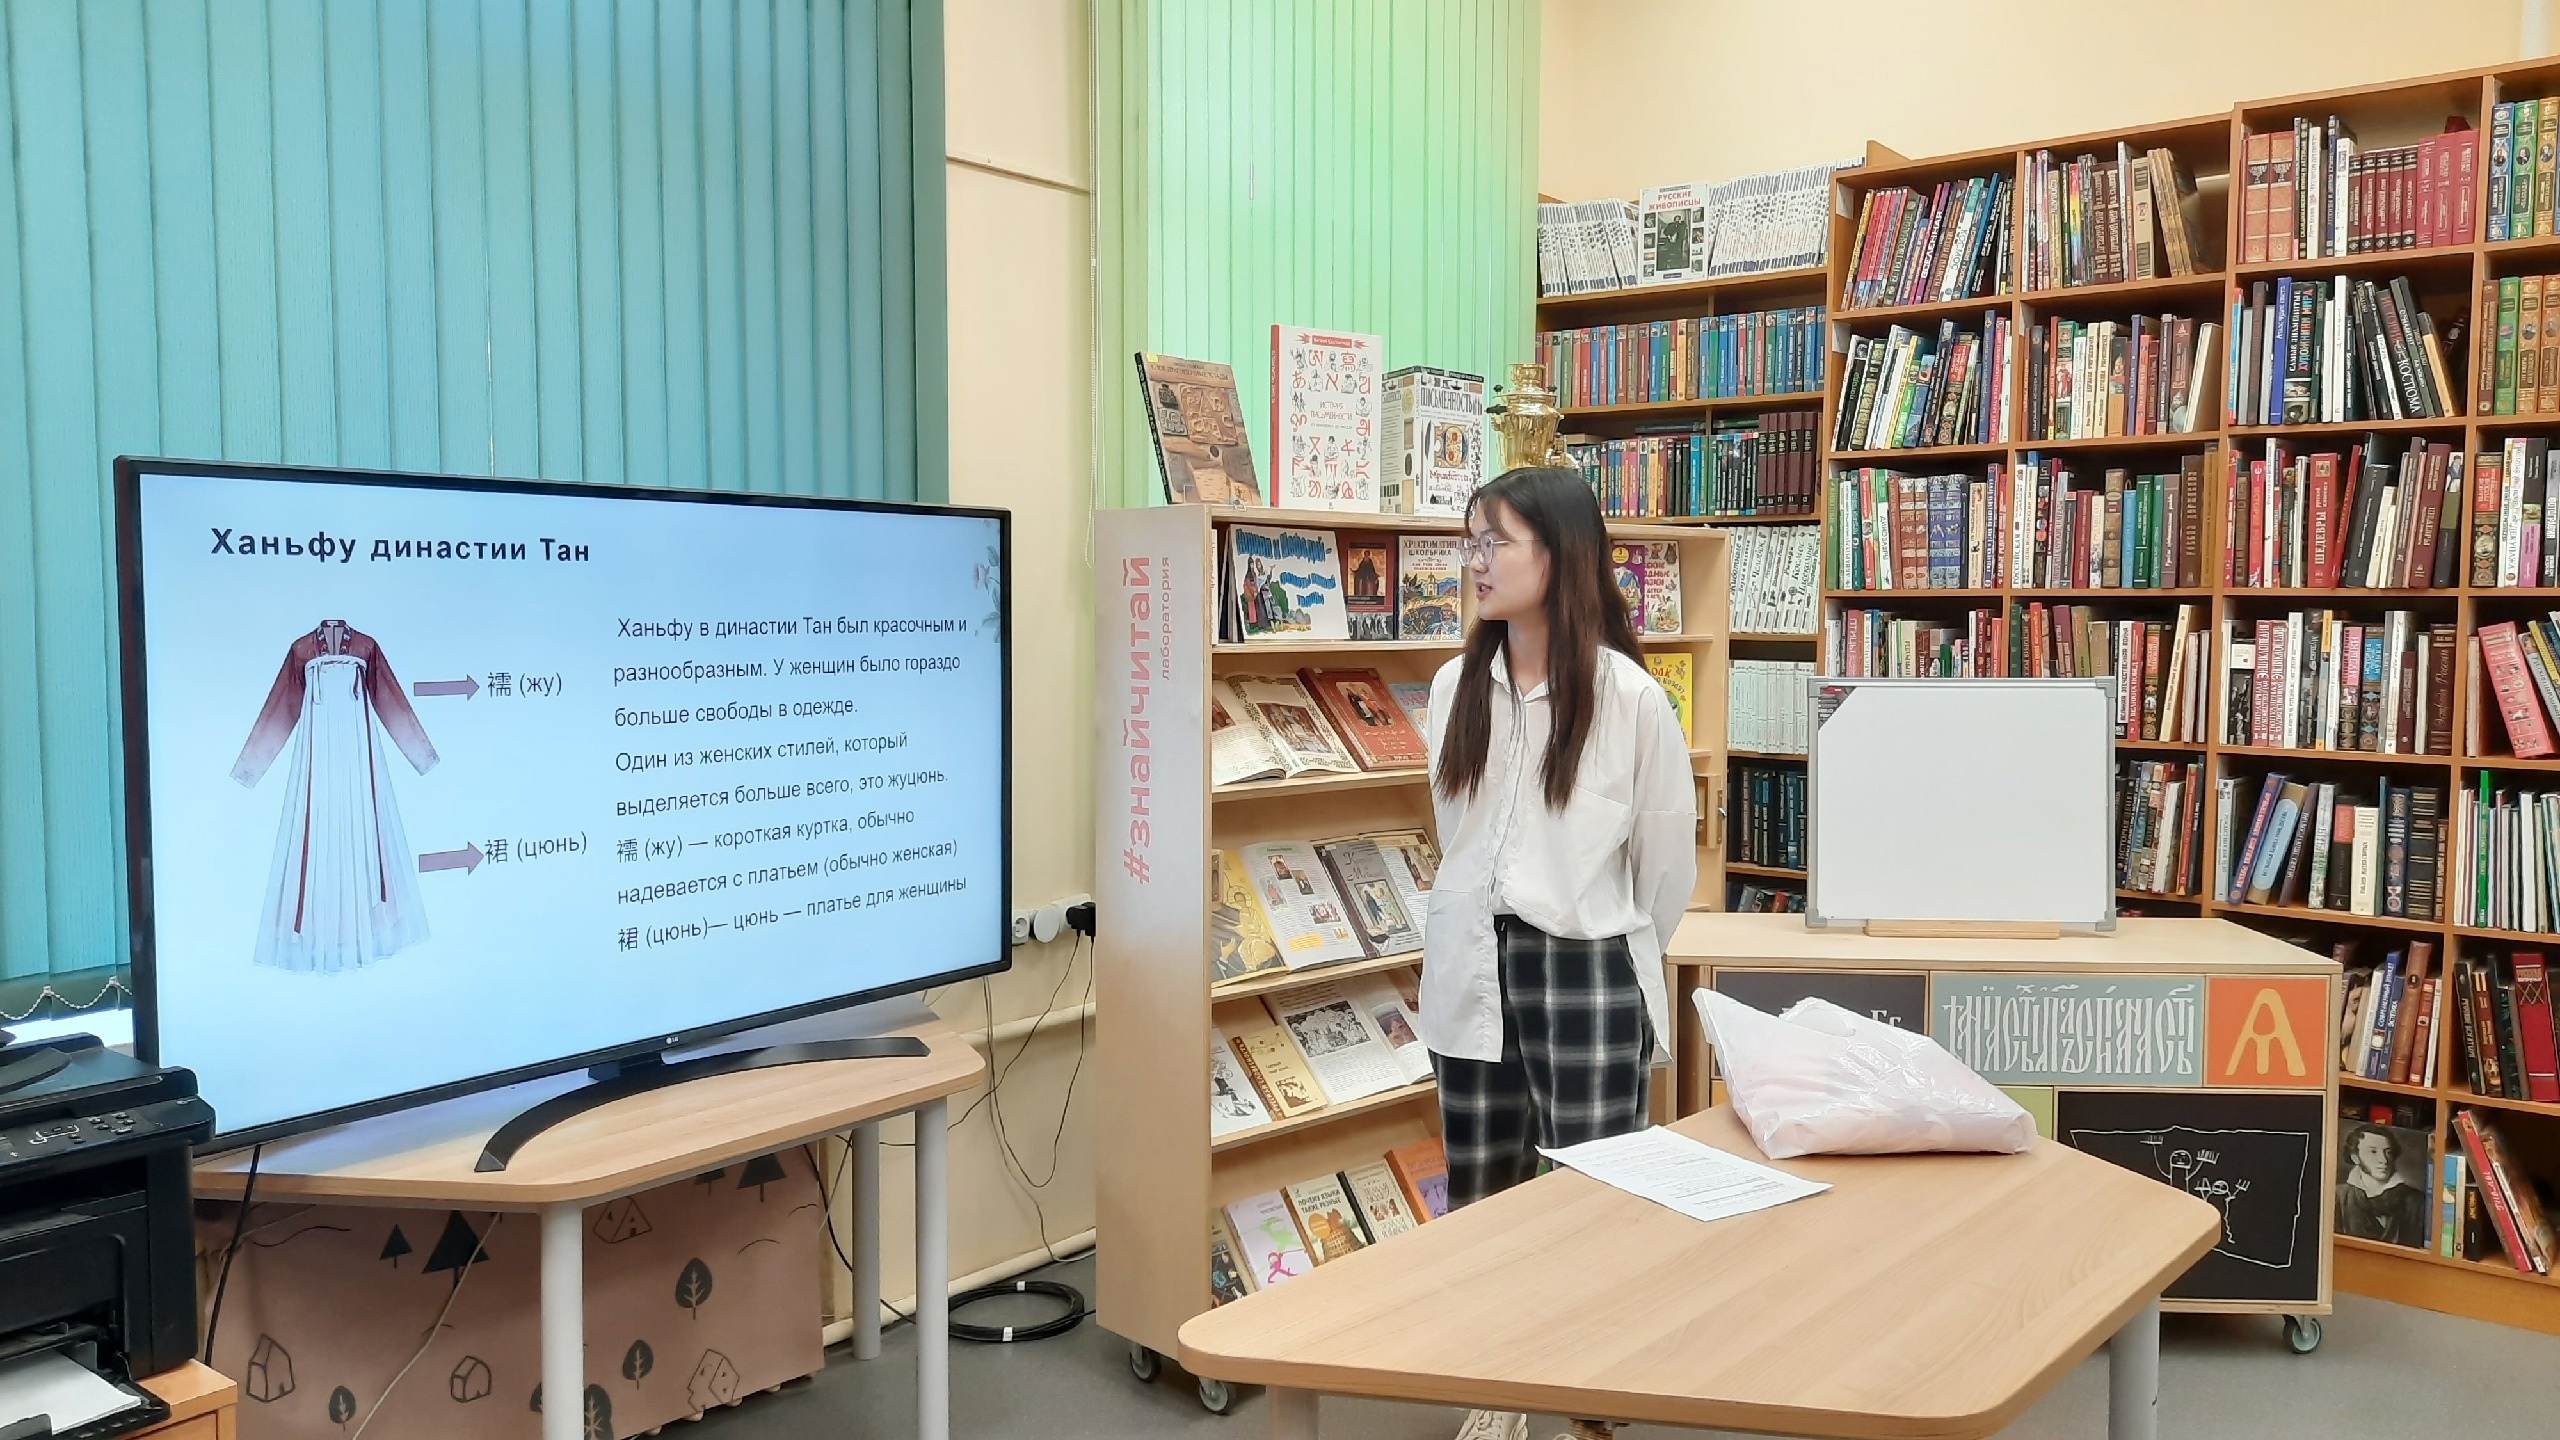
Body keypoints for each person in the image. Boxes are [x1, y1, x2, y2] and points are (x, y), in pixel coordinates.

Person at [1421, 468, 1696, 1440]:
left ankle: (1589, 1404)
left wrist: (1601, 937)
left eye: (1495, 542)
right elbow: (1455, 831)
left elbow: (1666, 865)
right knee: (1483, 1193)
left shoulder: (1630, 699)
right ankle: (1494, 1386)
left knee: (1595, 1202)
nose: (1476, 562)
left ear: (1561, 554)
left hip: (1584, 965)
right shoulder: (1454, 687)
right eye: (1471, 541)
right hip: (1471, 961)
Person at [2337, 1124, 2426, 1246]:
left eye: (2388, 1152)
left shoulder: (2416, 1201)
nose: (2383, 1160)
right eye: (2373, 1151)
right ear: (2355, 1158)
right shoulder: (2339, 1197)